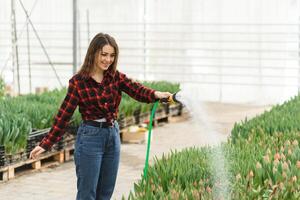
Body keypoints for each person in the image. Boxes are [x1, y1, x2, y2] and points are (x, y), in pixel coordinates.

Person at [29, 33, 171, 200]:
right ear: (93, 53)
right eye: (104, 54)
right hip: (90, 138)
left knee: (105, 194)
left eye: (112, 55)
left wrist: (156, 94)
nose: (108, 59)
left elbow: (137, 90)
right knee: (87, 194)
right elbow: (64, 115)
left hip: (112, 136)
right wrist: (46, 144)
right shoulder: (78, 82)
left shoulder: (115, 77)